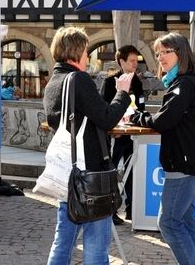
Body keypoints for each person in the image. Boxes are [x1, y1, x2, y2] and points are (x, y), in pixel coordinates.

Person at [43, 26, 133, 265]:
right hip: (91, 173)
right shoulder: (79, 79)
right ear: (76, 51)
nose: (87, 54)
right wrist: (122, 93)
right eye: (85, 49)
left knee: (63, 242)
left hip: (68, 173)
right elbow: (105, 118)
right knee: (96, 244)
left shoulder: (53, 82)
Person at [129, 32, 195, 265]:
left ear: (181, 53)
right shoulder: (185, 82)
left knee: (168, 222)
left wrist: (137, 117)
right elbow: (171, 117)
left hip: (183, 162)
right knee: (184, 219)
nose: (161, 58)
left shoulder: (184, 84)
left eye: (167, 52)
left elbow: (164, 121)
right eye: (158, 53)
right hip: (190, 160)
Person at [101, 44, 144, 224]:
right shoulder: (110, 82)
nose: (135, 64)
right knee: (111, 172)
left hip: (132, 135)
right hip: (114, 136)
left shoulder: (138, 82)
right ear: (122, 62)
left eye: (136, 61)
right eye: (132, 61)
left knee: (132, 171)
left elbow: (141, 106)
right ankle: (110, 211)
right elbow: (103, 109)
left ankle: (132, 209)